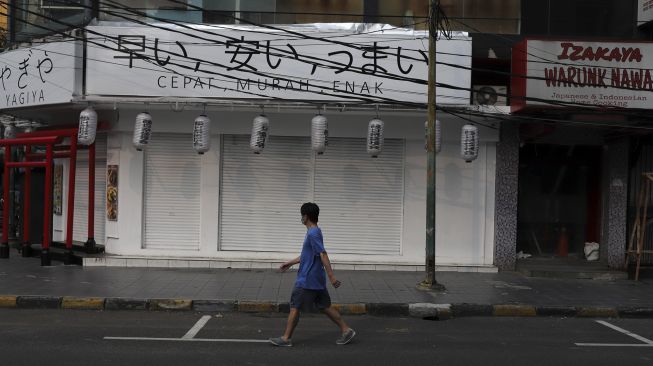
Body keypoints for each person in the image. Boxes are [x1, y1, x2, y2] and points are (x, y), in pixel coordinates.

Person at [269, 202, 356, 347]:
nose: (301, 218)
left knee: (295, 306)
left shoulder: (313, 233)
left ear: (306, 216)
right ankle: (346, 330)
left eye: (301, 215)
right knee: (324, 306)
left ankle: (286, 338)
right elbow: (307, 254)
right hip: (317, 278)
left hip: (307, 279)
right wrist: (290, 263)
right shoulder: (315, 231)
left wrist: (332, 276)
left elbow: (323, 254)